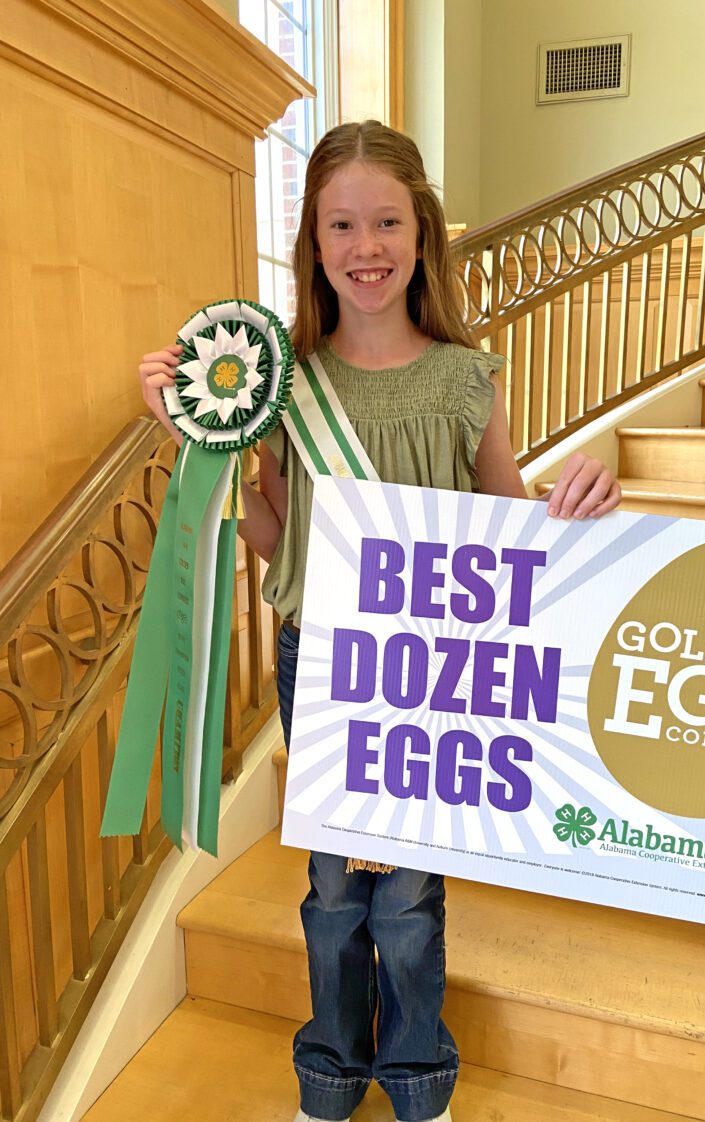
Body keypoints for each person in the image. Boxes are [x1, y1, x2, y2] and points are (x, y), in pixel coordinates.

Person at [138, 121, 621, 1122]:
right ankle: (327, 1072)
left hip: (430, 672)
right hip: (320, 661)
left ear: (421, 233)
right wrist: (199, 443)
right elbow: (280, 537)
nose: (366, 245)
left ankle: (412, 1075)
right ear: (313, 244)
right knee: (330, 895)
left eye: (386, 221)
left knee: (405, 898)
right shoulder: (283, 388)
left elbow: (506, 531)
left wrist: (575, 505)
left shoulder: (463, 381)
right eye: (342, 224)